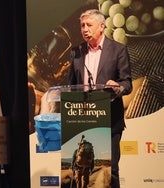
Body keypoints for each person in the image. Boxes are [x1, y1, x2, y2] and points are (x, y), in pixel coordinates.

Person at [68, 9, 132, 188]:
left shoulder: (118, 50)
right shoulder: (76, 52)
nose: (85, 29)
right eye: (82, 26)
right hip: (82, 120)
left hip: (110, 120)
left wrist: (117, 87)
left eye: (89, 25)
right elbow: (71, 87)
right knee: (80, 170)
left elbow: (127, 84)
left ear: (102, 26)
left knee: (109, 170)